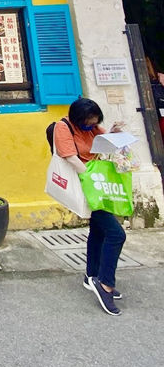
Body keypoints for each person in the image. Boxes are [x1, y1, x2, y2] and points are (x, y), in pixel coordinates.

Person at [54, 97, 127, 317]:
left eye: (95, 122)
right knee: (116, 234)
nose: (91, 126)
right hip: (86, 183)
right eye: (88, 123)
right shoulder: (63, 127)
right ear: (78, 119)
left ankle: (91, 275)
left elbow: (103, 142)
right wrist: (91, 180)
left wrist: (113, 132)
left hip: (95, 181)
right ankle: (104, 284)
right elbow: (70, 157)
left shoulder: (92, 127)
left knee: (98, 230)